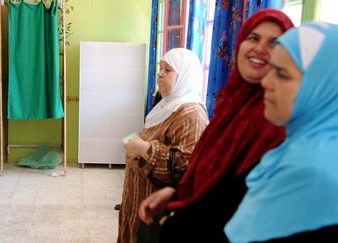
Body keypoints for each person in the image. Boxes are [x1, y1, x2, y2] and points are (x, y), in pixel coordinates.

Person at [138, 9, 294, 242]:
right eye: (253, 38)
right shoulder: (230, 104)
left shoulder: (276, 119)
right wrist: (179, 193)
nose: (260, 48)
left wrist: (185, 217)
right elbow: (208, 169)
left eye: (274, 42)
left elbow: (242, 199)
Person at [225, 22, 338, 242]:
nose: (266, 82)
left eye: (282, 75)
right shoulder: (300, 145)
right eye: (271, 69)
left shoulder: (310, 171)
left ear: (323, 85)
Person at [117, 48, 209, 243]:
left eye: (168, 70)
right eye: (160, 67)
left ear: (184, 76)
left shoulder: (191, 114)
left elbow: (186, 168)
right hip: (138, 203)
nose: (160, 73)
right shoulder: (166, 105)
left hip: (157, 214)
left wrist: (144, 149)